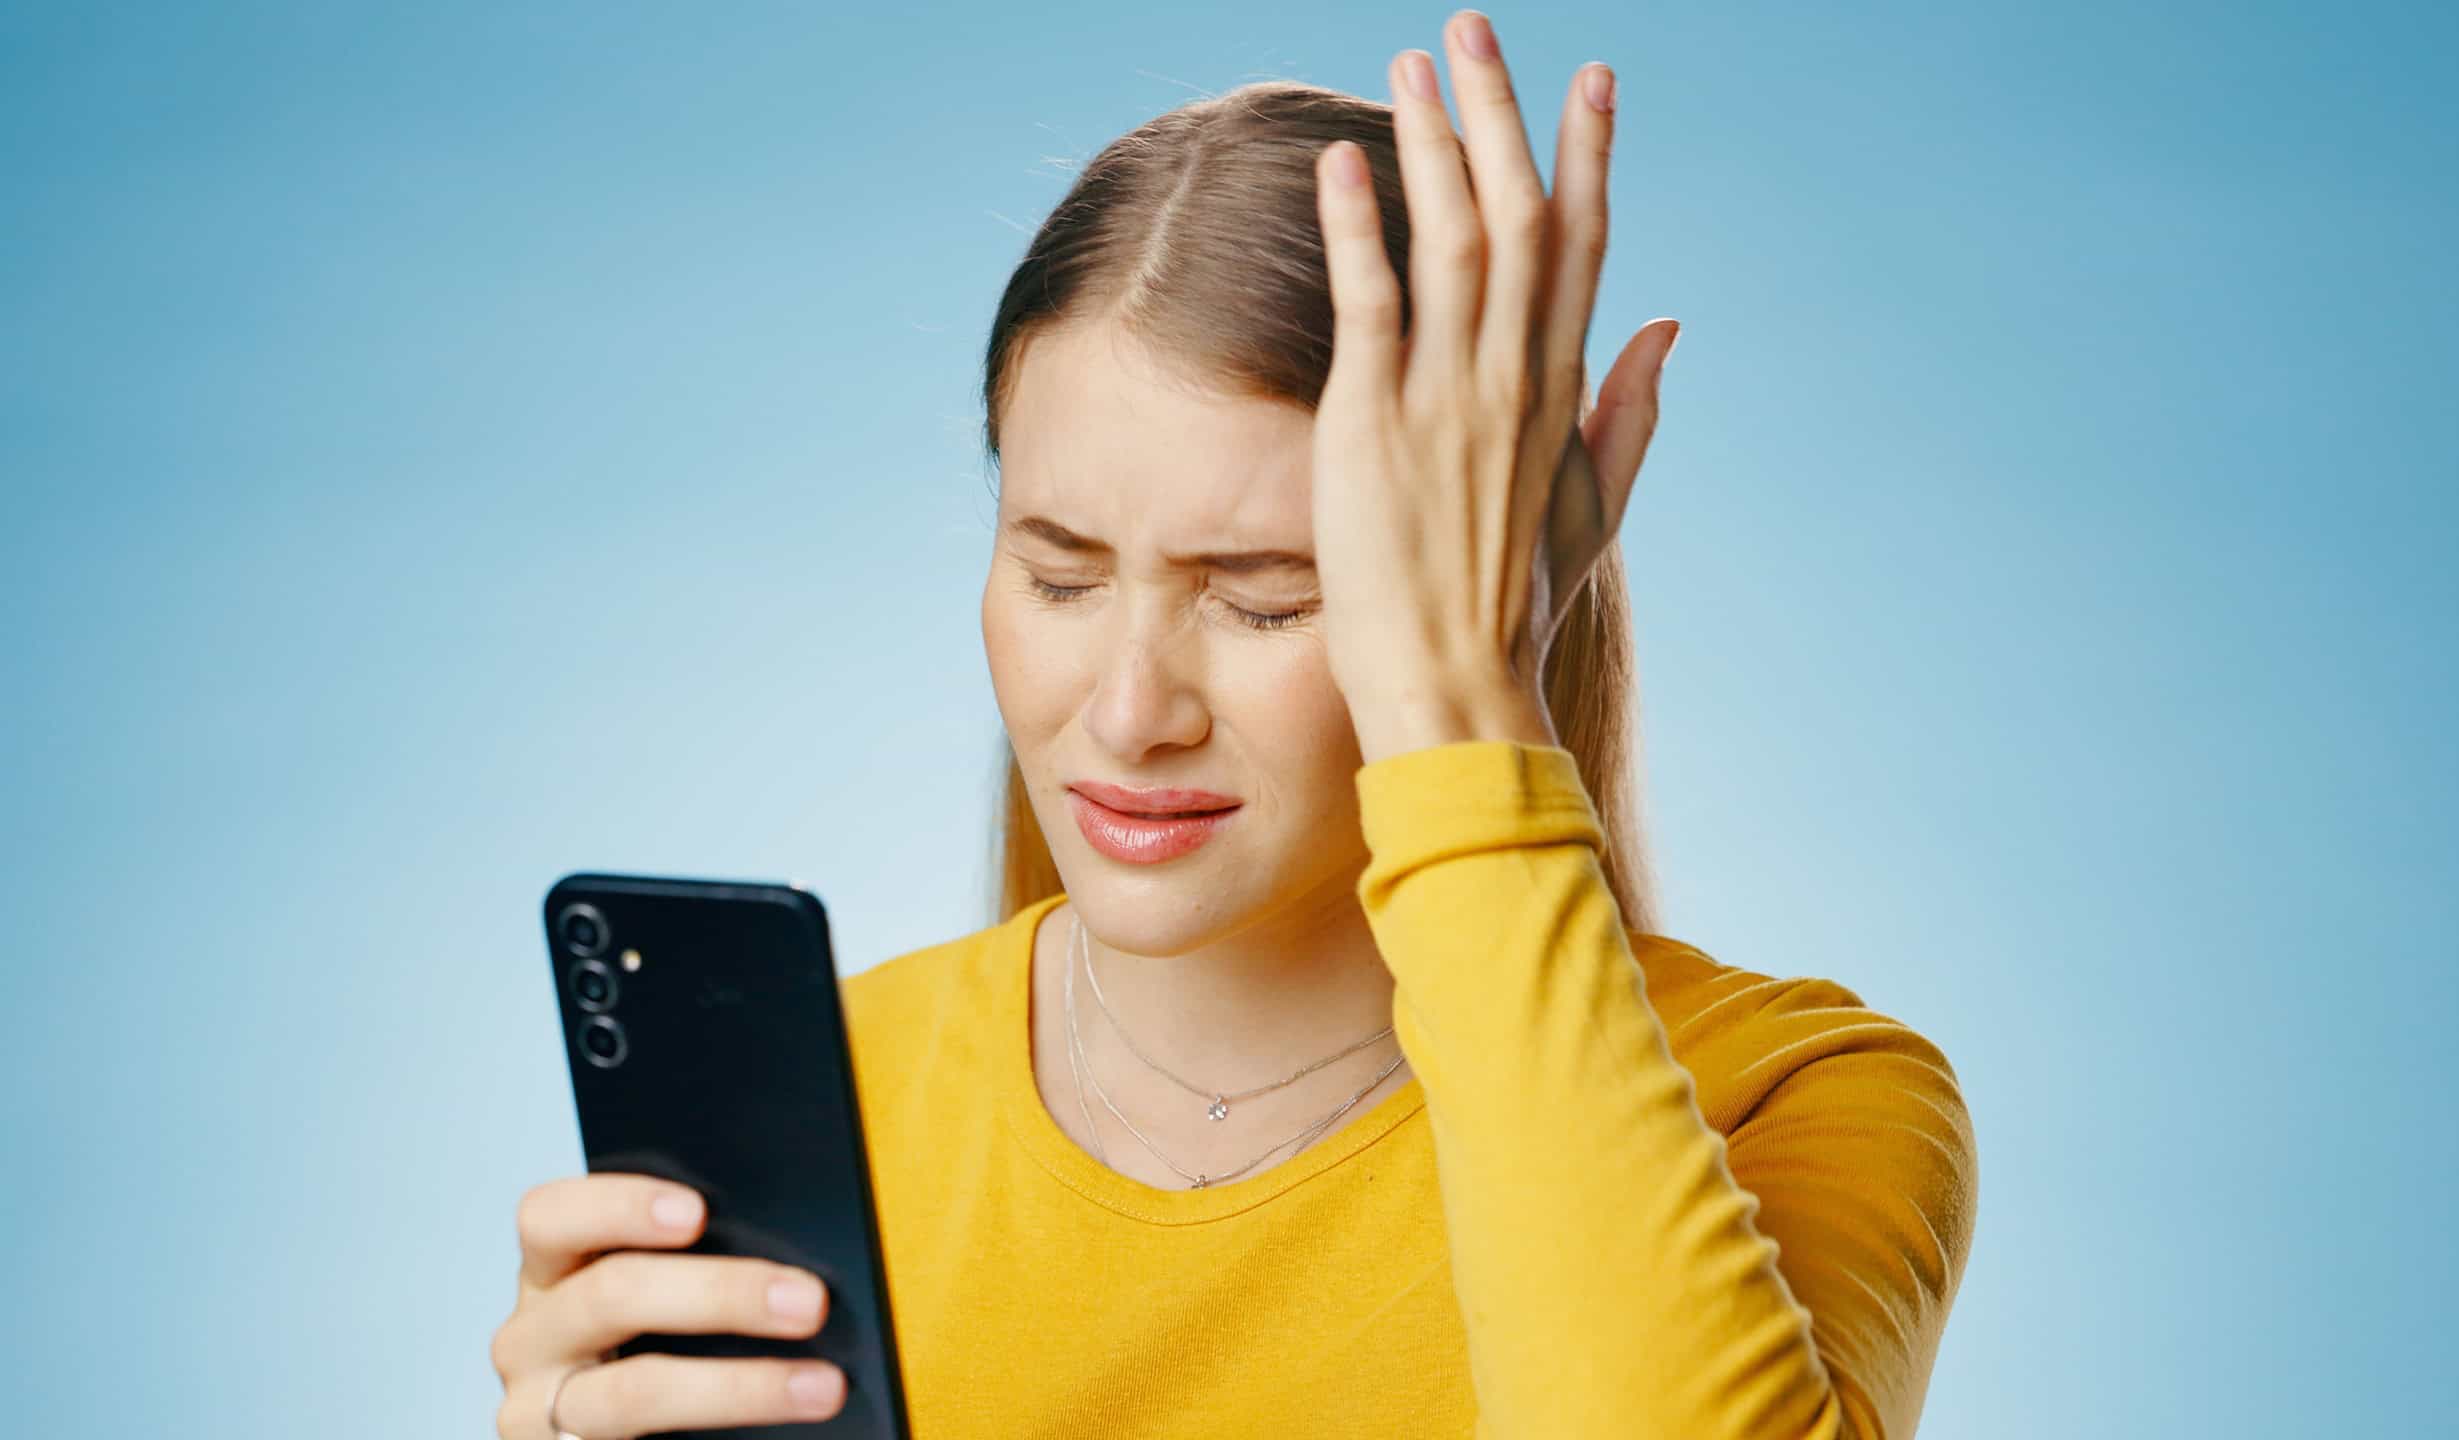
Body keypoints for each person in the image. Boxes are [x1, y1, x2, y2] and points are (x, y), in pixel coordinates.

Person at [489, 11, 1977, 1438]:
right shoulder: (833, 1101)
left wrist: (1469, 713)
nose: (1127, 713)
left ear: (1487, 592)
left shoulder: (1788, 1098)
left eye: (1269, 599)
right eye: (1060, 576)